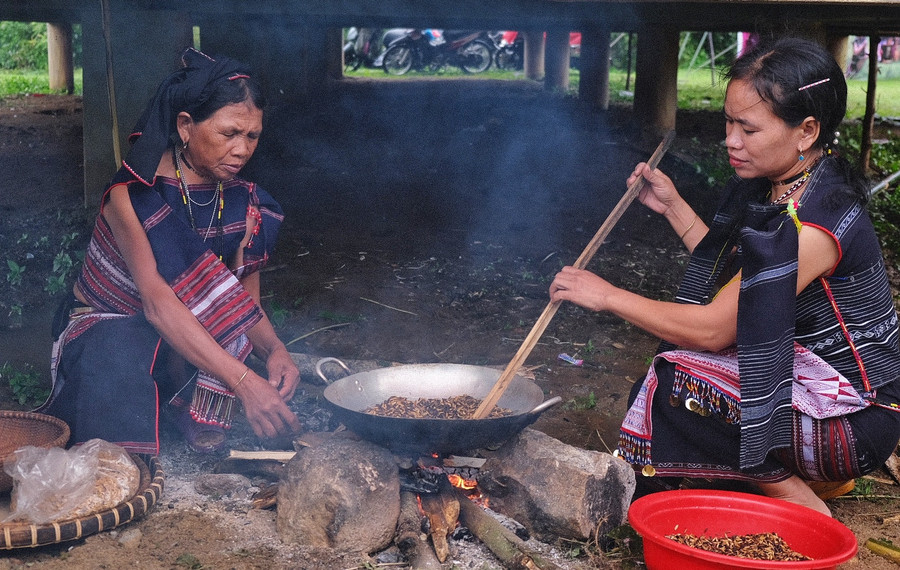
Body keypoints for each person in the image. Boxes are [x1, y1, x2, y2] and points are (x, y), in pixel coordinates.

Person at [549, 37, 900, 516]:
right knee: (675, 380)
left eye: (748, 128)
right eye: (728, 122)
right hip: (816, 388)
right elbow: (745, 282)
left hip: (854, 419)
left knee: (677, 382)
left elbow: (715, 330)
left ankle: (794, 495)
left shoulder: (813, 220)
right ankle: (777, 475)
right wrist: (673, 207)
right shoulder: (791, 184)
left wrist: (607, 295)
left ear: (807, 130)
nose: (731, 140)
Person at [39, 48, 302, 454]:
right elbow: (158, 306)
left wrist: (276, 351)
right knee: (121, 343)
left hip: (181, 343)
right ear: (185, 126)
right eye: (228, 133)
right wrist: (244, 382)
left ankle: (179, 408)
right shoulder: (132, 196)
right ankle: (121, 451)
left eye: (252, 136)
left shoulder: (245, 200)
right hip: (114, 329)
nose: (242, 150)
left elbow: (241, 306)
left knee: (227, 334)